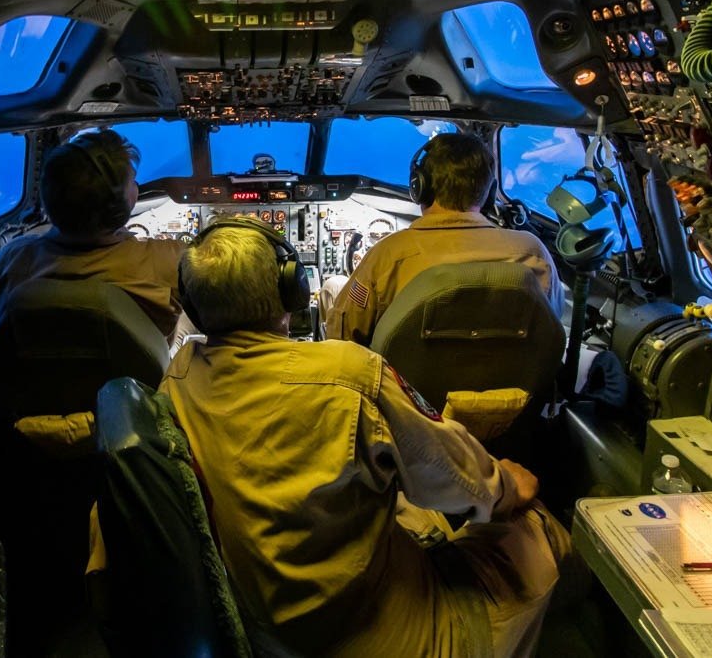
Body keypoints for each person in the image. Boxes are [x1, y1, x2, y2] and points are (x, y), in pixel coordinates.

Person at [163, 219, 570, 657]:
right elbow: (467, 483)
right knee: (536, 521)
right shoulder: (351, 375)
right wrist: (507, 485)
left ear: (194, 304)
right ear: (293, 291)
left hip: (264, 630)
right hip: (380, 636)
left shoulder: (179, 376)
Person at [324, 132, 563, 346]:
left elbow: (344, 336)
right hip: (513, 391)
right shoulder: (532, 252)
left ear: (419, 188)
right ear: (489, 193)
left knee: (333, 286)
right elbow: (552, 324)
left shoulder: (390, 254)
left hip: (405, 394)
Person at [0, 129, 185, 359]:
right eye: (132, 180)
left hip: (25, 391)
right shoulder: (166, 262)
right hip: (133, 390)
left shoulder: (10, 261)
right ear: (121, 205)